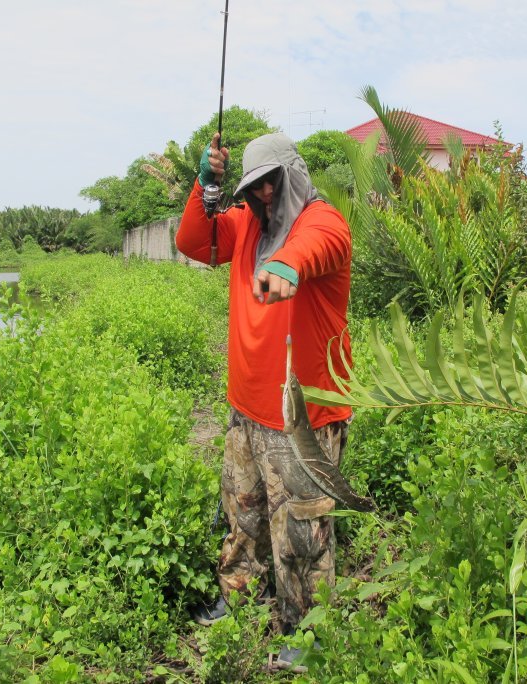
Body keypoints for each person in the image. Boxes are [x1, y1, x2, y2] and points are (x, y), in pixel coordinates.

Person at [176, 131, 353, 671]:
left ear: (293, 176)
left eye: (272, 183)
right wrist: (206, 191)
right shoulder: (248, 223)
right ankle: (238, 596)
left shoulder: (321, 221)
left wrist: (287, 266)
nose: (265, 196)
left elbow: (318, 245)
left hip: (302, 418)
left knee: (301, 529)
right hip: (245, 407)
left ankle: (308, 632)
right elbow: (193, 242)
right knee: (242, 513)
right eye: (254, 188)